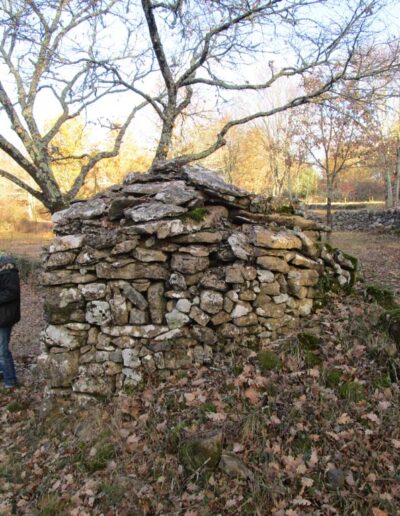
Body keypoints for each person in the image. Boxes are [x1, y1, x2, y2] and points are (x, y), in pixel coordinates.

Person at [0, 253, 20, 389]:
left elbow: (12, 292)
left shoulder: (9, 273)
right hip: (3, 315)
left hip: (5, 317)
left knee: (2, 350)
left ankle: (10, 382)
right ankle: (3, 373)